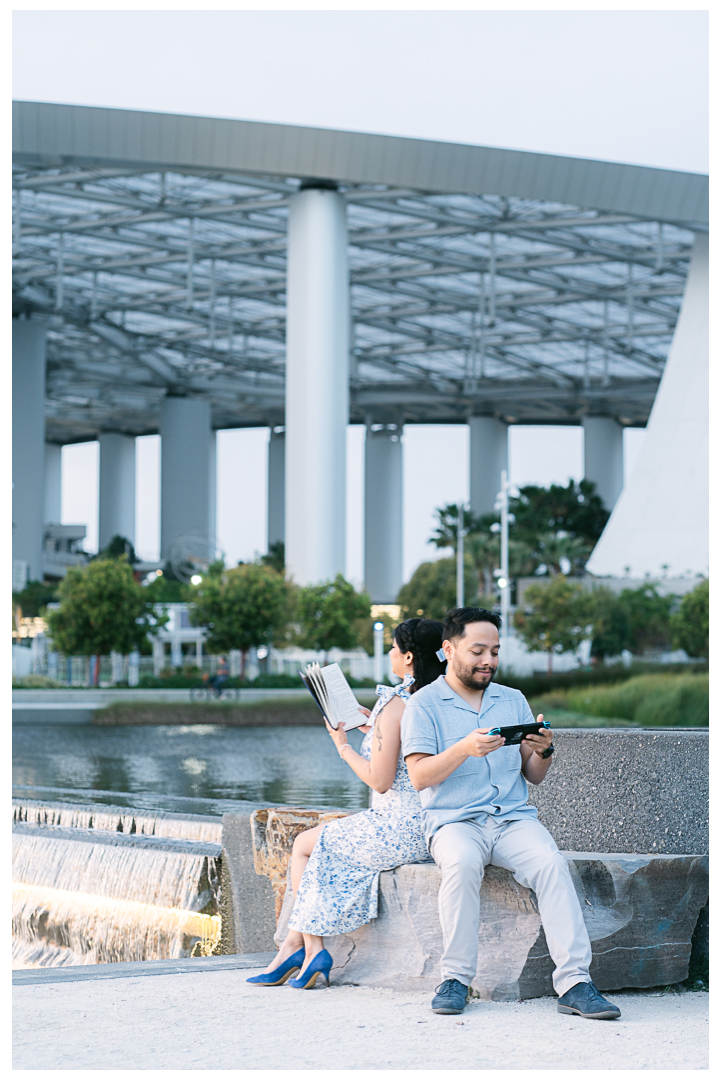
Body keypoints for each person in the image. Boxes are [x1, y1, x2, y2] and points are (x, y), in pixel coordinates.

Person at [402, 606, 621, 1021]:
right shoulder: (424, 705)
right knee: (463, 865)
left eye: (495, 652)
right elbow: (418, 776)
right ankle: (455, 979)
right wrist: (463, 749)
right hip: (454, 821)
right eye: (478, 651)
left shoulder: (512, 699)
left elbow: (533, 775)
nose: (488, 661)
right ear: (448, 650)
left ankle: (575, 984)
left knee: (551, 865)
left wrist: (544, 749)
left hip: (511, 819)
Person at [247, 618, 446, 990]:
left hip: (398, 827)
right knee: (322, 842)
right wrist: (374, 729)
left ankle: (309, 947)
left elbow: (380, 780)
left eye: (392, 647)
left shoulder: (398, 706)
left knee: (304, 845)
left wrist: (342, 746)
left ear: (407, 656)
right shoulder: (435, 697)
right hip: (430, 825)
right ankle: (296, 947)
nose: (388, 653)